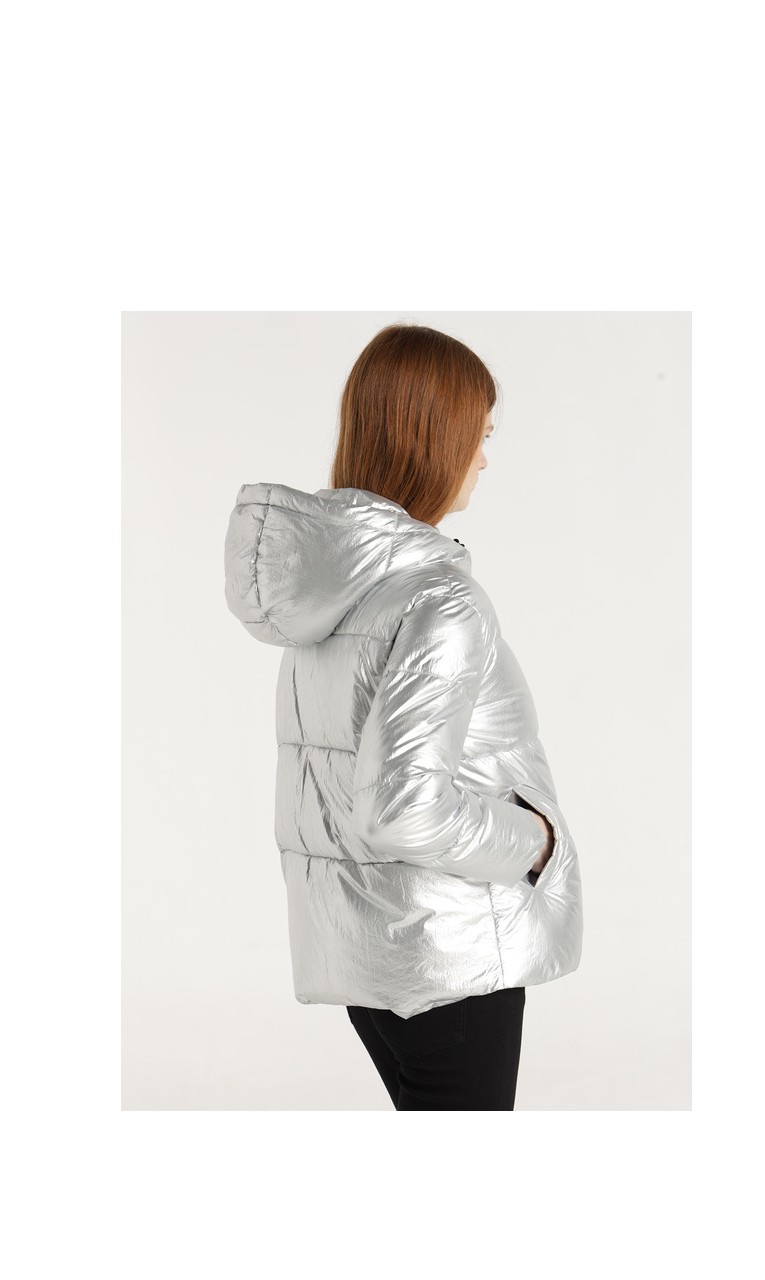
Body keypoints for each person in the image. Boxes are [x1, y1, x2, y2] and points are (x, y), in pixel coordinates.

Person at [224, 323, 583, 1109]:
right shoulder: (437, 600)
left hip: (373, 956)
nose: (483, 459)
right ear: (435, 439)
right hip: (452, 960)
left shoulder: (336, 597)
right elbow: (400, 811)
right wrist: (535, 841)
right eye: (480, 435)